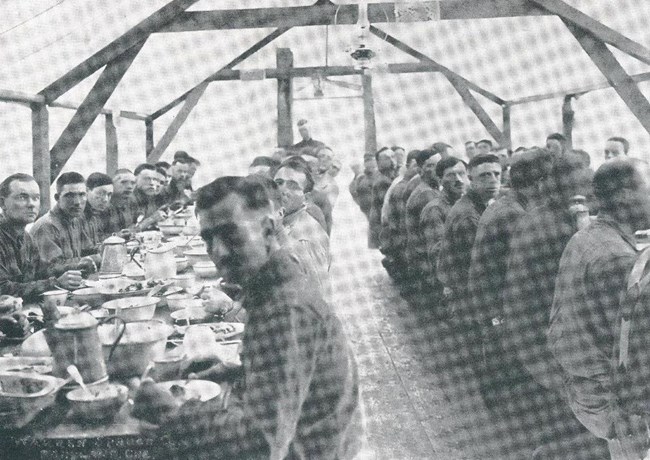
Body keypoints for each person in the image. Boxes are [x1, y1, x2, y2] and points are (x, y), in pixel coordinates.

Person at [134, 176, 362, 459]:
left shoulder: (284, 309)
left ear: (268, 230)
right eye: (208, 239)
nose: (218, 251)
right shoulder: (274, 285)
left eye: (231, 235)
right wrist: (240, 371)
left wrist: (176, 411)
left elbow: (260, 446)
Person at [502, 153, 606, 457]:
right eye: (585, 182)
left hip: (526, 334)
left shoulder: (538, 214)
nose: (591, 190)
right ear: (565, 184)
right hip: (542, 345)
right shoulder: (558, 230)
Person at [548, 158, 650, 457]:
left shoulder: (587, 237)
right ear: (624, 197)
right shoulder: (616, 259)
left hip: (584, 388)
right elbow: (633, 353)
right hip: (614, 407)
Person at [465, 148, 553, 451]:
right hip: (498, 308)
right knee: (517, 380)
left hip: (490, 304)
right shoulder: (515, 215)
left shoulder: (505, 204)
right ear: (542, 182)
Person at [0, 174, 83, 301]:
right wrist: (55, 283)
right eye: (22, 197)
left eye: (36, 198)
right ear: (2, 203)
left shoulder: (26, 238)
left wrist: (69, 276)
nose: (31, 204)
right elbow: (3, 289)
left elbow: (38, 275)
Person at [419, 156, 468, 315]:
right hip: (449, 284)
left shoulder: (466, 204)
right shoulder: (435, 209)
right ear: (440, 180)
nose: (458, 180)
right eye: (451, 175)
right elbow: (438, 252)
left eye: (462, 174)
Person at [274, 157, 331, 286]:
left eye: (293, 186)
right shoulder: (279, 223)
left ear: (307, 198)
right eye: (278, 183)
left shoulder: (307, 236)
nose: (283, 190)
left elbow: (321, 292)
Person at [30, 172, 100, 276]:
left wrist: (108, 248)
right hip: (54, 289)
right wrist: (91, 259)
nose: (77, 202)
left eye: (82, 194)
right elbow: (52, 268)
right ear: (57, 198)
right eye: (69, 196)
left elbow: (88, 250)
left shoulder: (76, 219)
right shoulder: (47, 226)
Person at [404, 149, 441, 308]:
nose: (435, 169)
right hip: (424, 260)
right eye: (430, 166)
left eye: (438, 165)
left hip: (417, 256)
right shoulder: (426, 194)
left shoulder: (420, 187)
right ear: (420, 169)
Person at [380, 150, 419, 280]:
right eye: (415, 166)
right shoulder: (401, 186)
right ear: (407, 166)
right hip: (400, 240)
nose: (418, 169)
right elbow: (393, 218)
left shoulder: (408, 183)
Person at [368, 147, 396, 249]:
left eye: (393, 157)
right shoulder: (383, 181)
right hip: (383, 229)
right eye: (387, 158)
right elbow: (389, 207)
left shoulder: (389, 178)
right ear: (379, 162)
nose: (392, 160)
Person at [131, 163, 167, 230]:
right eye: (147, 179)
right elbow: (125, 233)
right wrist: (152, 219)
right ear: (135, 180)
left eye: (155, 179)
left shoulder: (150, 197)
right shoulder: (128, 199)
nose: (152, 183)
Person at [84, 172, 113, 246]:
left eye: (109, 194)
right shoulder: (79, 214)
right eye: (100, 193)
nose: (105, 199)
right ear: (87, 191)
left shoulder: (103, 211)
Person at [107, 168, 137, 236]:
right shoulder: (103, 205)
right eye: (123, 182)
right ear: (112, 184)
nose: (129, 187)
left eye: (133, 183)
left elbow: (134, 224)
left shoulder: (130, 202)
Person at [350, 153, 378, 219]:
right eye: (367, 161)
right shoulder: (359, 179)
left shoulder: (379, 177)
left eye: (373, 166)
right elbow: (354, 194)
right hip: (364, 210)